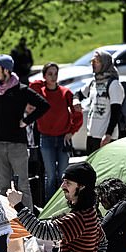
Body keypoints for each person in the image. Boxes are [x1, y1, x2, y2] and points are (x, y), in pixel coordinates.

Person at [0, 54, 49, 210]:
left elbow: (44, 105)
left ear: (6, 70)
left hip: (17, 144)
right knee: (3, 185)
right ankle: (3, 218)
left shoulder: (20, 89)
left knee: (23, 185)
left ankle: (28, 222)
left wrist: (26, 121)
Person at [29, 62, 84, 200]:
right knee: (51, 175)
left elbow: (77, 113)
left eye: (55, 74)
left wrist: (72, 131)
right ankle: (49, 205)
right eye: (50, 74)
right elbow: (32, 86)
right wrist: (43, 81)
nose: (53, 77)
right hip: (46, 138)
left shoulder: (65, 92)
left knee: (63, 175)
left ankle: (64, 203)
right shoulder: (40, 91)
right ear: (44, 76)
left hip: (63, 139)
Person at [75, 49, 125, 155]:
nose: (93, 64)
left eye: (96, 61)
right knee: (91, 169)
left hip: (106, 137)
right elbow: (78, 95)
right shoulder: (93, 83)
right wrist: (76, 101)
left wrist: (108, 134)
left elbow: (116, 112)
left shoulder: (114, 84)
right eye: (92, 61)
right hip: (92, 135)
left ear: (105, 63)